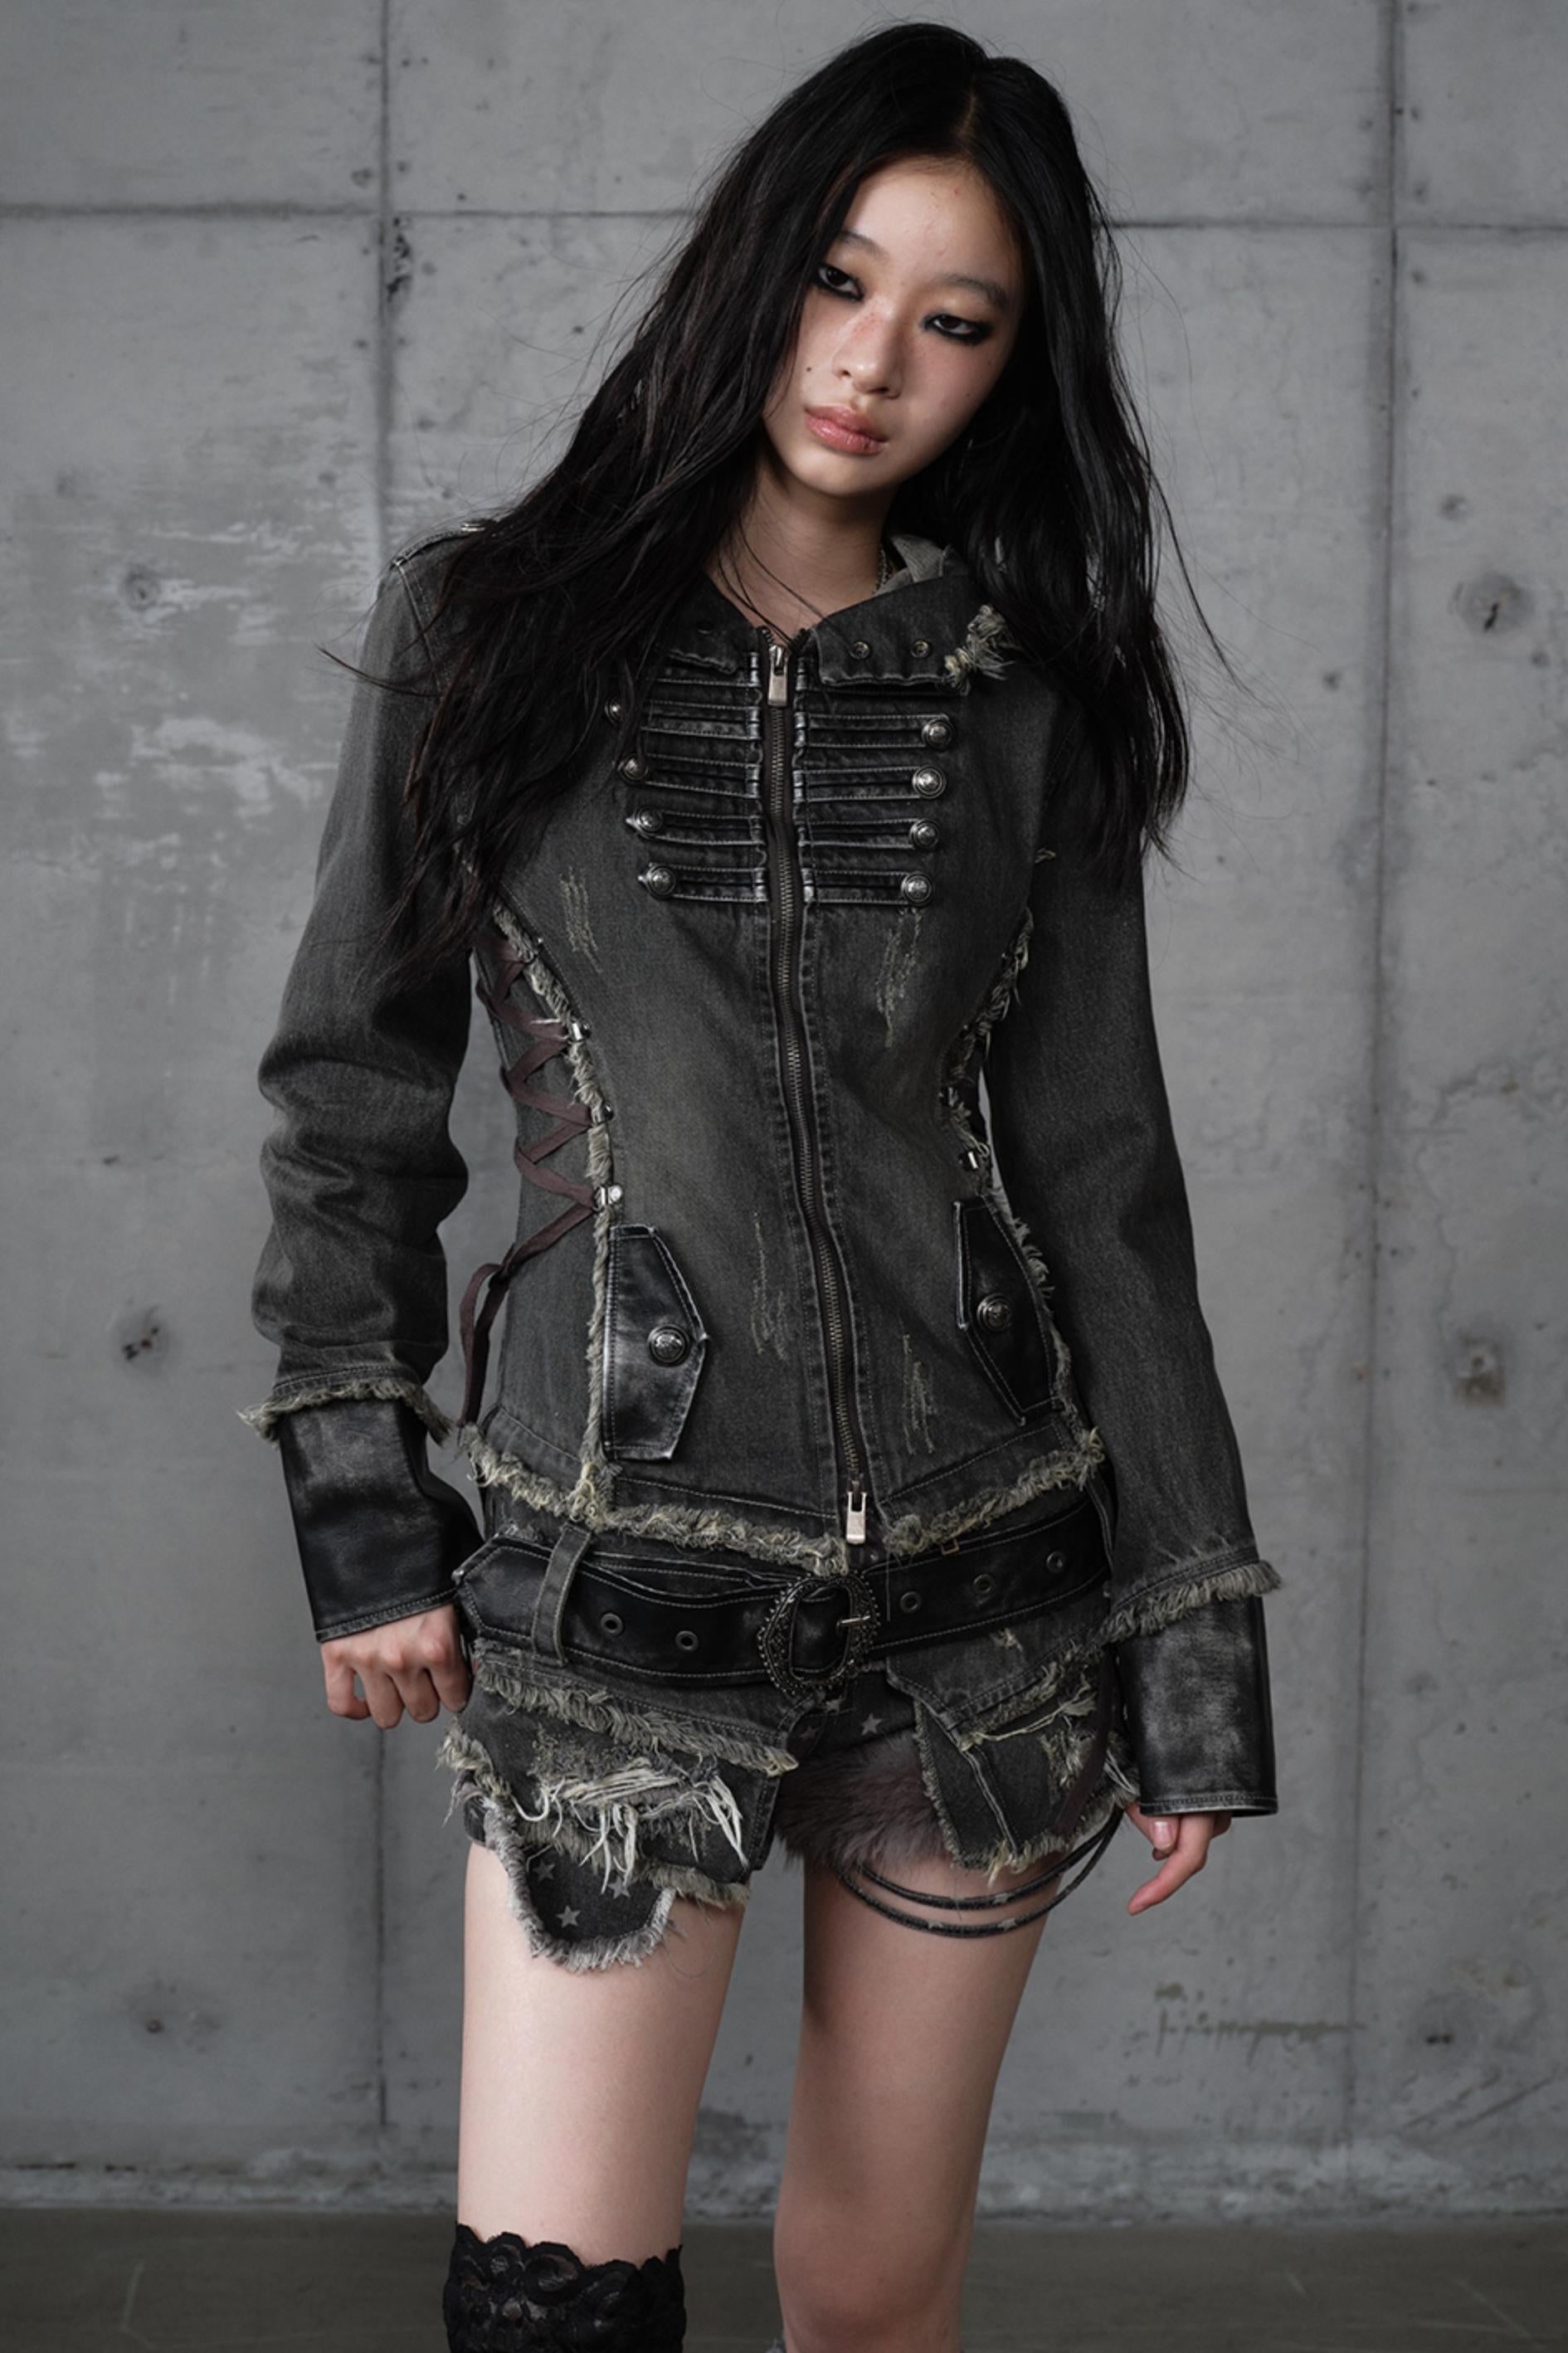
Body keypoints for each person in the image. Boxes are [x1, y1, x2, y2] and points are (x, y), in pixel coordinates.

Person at [240, 23, 1282, 2352]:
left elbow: (1105, 1175)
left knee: (874, 2303)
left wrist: (1192, 1633)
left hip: (989, 1601)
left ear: (1010, 365)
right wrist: (358, 1501)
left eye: (955, 317)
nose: (873, 359)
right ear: (752, 270)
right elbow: (350, 1091)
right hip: (622, 1589)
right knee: (557, 2314)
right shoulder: (485, 629)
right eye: (838, 278)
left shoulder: (1029, 697)